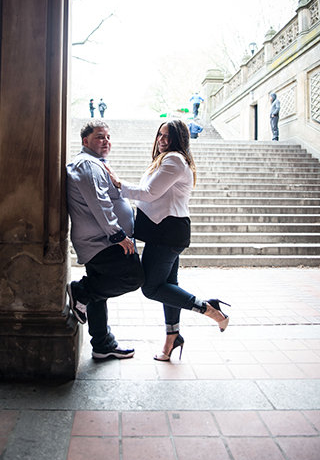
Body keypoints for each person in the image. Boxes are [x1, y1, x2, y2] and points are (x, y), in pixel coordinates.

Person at [105, 119, 230, 362]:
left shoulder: (174, 160)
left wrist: (118, 184)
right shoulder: (167, 160)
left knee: (151, 288)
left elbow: (149, 193)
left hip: (166, 233)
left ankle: (210, 309)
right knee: (167, 287)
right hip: (163, 231)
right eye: (160, 135)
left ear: (179, 140)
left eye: (168, 136)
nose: (162, 140)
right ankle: (172, 339)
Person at [66, 120, 144, 359]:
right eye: (100, 137)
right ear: (85, 141)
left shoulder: (95, 164)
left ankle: (102, 344)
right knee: (134, 278)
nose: (106, 141)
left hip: (101, 239)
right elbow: (99, 203)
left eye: (108, 137)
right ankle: (81, 291)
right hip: (103, 241)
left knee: (100, 292)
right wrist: (118, 234)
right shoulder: (87, 164)